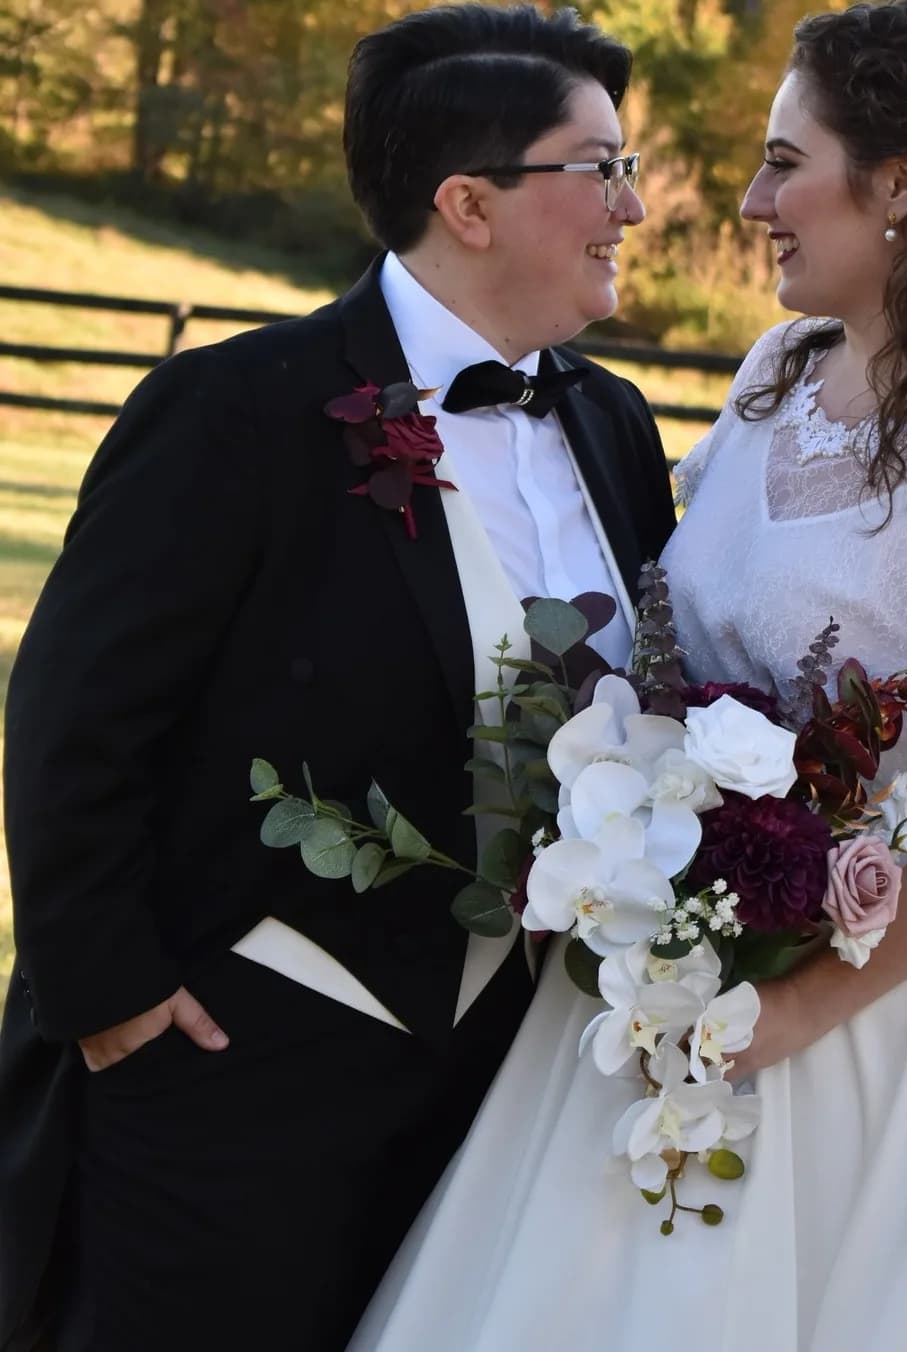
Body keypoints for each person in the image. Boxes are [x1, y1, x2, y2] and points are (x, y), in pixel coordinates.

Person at [345, 3, 907, 1350]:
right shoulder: (776, 376)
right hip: (668, 968)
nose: (751, 200)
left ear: (903, 185)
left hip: (879, 1018)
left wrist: (792, 1010)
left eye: (782, 162)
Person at [0, 5, 673, 1349]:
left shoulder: (610, 422)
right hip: (230, 1066)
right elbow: (75, 719)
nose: (634, 205)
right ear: (469, 204)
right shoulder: (235, 410)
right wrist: (114, 996)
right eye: (596, 169)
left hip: (506, 1092)